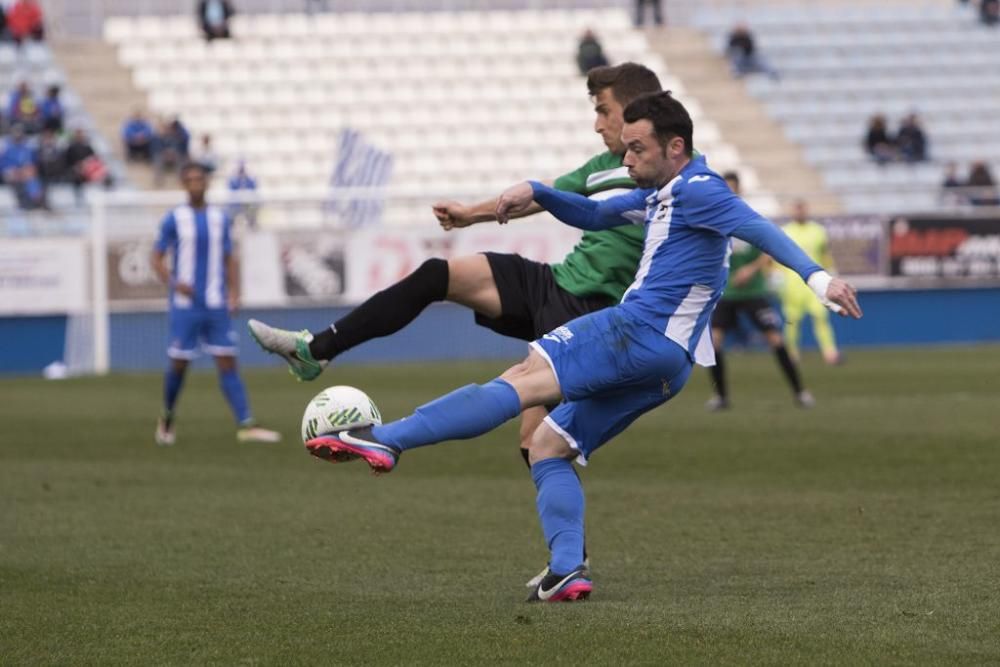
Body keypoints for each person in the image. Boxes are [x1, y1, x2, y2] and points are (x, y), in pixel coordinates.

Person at [298, 92, 862, 602]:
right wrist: (537, 191)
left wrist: (819, 280)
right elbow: (593, 212)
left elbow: (758, 227)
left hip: (636, 331)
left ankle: (388, 440)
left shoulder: (699, 190)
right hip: (670, 367)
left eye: (637, 149)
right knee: (548, 445)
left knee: (522, 379)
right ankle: (567, 568)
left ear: (676, 146)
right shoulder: (663, 193)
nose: (626, 159)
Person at [248, 62, 663, 587]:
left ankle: (569, 561)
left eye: (602, 111)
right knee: (438, 274)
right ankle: (317, 351)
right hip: (554, 284)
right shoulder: (604, 163)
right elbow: (546, 194)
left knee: (537, 441)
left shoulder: (666, 176)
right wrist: (473, 214)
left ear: (635, 112)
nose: (597, 123)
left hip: (591, 314)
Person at [151, 162, 280, 447]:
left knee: (227, 361)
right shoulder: (174, 219)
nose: (196, 183)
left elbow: (228, 257)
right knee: (179, 364)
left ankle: (246, 424)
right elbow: (156, 258)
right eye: (191, 179)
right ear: (184, 184)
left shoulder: (220, 219)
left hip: (215, 303)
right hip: (186, 306)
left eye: (200, 179)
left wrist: (234, 291)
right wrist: (174, 282)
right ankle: (168, 415)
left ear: (207, 183)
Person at [704, 172, 812, 411]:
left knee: (775, 339)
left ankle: (800, 392)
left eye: (734, 188)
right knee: (715, 343)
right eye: (726, 188)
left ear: (739, 190)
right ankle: (720, 397)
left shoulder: (747, 217)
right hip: (726, 293)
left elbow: (767, 250)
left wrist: (750, 271)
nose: (730, 192)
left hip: (753, 291)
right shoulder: (712, 221)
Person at [779, 200, 841, 366]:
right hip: (792, 284)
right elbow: (776, 257)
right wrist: (776, 276)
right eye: (797, 209)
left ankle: (830, 353)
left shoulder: (818, 231)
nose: (799, 212)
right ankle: (791, 355)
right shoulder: (786, 231)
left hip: (814, 282)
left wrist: (831, 272)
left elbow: (824, 253)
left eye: (802, 209)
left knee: (820, 317)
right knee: (792, 320)